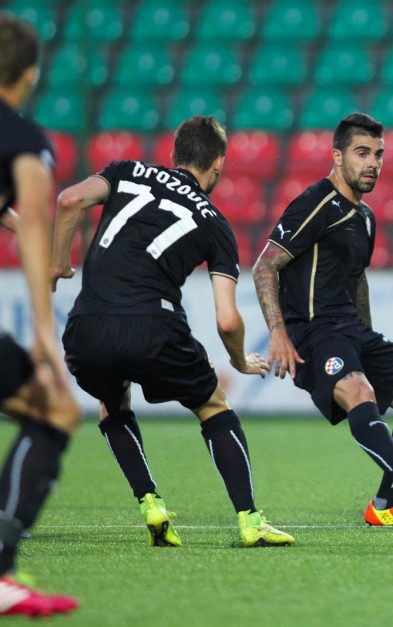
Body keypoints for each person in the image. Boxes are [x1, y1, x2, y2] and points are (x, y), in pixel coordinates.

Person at [51, 115, 294, 548]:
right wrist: (238, 360)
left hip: (87, 325)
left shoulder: (127, 171)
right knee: (213, 406)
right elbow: (226, 319)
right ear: (218, 164)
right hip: (154, 324)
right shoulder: (216, 224)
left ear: (173, 154)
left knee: (112, 404)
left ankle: (150, 504)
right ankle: (251, 521)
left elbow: (69, 200)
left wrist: (57, 263)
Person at [253, 113, 393, 527]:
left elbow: (356, 279)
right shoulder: (316, 203)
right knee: (359, 392)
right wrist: (278, 333)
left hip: (351, 330)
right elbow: (265, 266)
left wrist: (367, 337)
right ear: (337, 156)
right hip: (313, 331)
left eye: (378, 154)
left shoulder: (365, 216)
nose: (373, 163)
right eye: (362, 153)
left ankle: (384, 507)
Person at [0, 13, 82, 617]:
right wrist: (47, 338)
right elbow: (34, 223)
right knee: (54, 406)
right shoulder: (22, 139)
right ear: (29, 75)